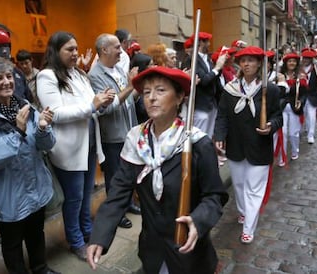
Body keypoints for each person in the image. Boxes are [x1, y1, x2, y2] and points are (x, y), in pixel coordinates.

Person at [87, 66, 229, 274]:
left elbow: (214, 195)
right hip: (152, 250)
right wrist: (99, 235)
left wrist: (198, 220)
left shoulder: (197, 144)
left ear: (179, 96)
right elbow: (118, 193)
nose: (152, 97)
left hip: (189, 252)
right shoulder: (136, 141)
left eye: (161, 90)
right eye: (146, 92)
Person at [0, 57, 60, 274]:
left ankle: (41, 269)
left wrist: (42, 128)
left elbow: (47, 145)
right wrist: (18, 131)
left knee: (36, 233)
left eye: (9, 76)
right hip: (8, 194)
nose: (6, 82)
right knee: (12, 243)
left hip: (35, 187)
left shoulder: (25, 106)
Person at [36, 31, 114, 261]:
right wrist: (92, 105)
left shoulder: (79, 73)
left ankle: (87, 231)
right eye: (69, 49)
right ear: (55, 50)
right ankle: (75, 240)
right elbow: (56, 113)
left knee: (86, 193)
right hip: (68, 149)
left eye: (76, 48)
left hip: (88, 143)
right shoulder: (47, 76)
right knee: (74, 198)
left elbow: (89, 102)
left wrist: (102, 100)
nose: (75, 53)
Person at [214, 46, 283, 244]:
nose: (246, 64)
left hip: (259, 148)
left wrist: (270, 126)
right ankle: (243, 211)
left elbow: (278, 116)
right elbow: (222, 115)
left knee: (254, 189)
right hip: (236, 148)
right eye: (243, 60)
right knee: (239, 185)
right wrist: (219, 135)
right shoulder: (230, 89)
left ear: (259, 63)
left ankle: (248, 228)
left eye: (251, 60)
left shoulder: (270, 89)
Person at [88, 33, 139, 228]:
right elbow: (105, 108)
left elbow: (128, 100)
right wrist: (129, 86)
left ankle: (129, 203)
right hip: (112, 137)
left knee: (128, 174)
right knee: (115, 178)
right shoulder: (95, 76)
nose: (121, 50)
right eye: (117, 47)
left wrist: (137, 88)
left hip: (128, 132)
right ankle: (116, 214)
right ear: (104, 50)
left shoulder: (118, 68)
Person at [277, 52, 308, 166]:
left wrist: (301, 102)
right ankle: (282, 156)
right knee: (283, 133)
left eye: (294, 61)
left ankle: (295, 150)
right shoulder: (280, 75)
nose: (292, 63)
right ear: (285, 63)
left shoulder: (301, 76)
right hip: (282, 107)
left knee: (293, 133)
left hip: (295, 107)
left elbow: (305, 94)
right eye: (289, 61)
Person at [300, 48, 317, 144]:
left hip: (312, 95)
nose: (305, 60)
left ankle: (311, 135)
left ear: (311, 59)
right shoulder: (299, 69)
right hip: (302, 96)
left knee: (312, 116)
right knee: (304, 115)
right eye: (304, 58)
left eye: (307, 58)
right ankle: (304, 129)